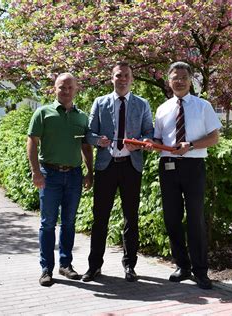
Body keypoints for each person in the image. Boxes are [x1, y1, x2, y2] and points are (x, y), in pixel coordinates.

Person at [151, 61, 222, 290]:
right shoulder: (162, 109)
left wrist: (190, 145)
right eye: (175, 77)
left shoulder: (203, 106)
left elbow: (214, 138)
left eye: (183, 77)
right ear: (168, 80)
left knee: (195, 219)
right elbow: (160, 140)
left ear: (190, 80)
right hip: (168, 166)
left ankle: (201, 271)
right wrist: (150, 144)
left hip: (193, 166)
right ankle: (182, 266)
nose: (179, 81)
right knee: (172, 218)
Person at [83, 61, 154, 282]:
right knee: (100, 218)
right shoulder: (100, 102)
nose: (122, 79)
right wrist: (98, 141)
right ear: (111, 78)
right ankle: (94, 266)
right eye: (118, 76)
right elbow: (89, 133)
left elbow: (149, 133)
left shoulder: (142, 104)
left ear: (131, 79)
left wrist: (141, 143)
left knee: (131, 218)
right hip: (106, 166)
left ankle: (129, 266)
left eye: (126, 76)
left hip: (131, 167)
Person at [27, 73, 94, 287]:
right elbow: (32, 143)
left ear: (76, 90)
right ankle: (46, 269)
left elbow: (86, 146)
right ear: (54, 88)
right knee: (47, 224)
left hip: (74, 175)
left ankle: (66, 265)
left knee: (69, 222)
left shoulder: (82, 117)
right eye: (61, 87)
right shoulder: (42, 113)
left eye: (70, 87)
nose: (65, 91)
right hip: (50, 174)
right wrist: (36, 171)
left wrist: (89, 172)